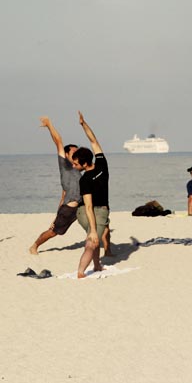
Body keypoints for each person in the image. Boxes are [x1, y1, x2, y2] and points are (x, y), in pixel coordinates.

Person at [30, 116, 82, 255]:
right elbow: (58, 141)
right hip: (68, 210)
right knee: (53, 232)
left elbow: (64, 192)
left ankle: (106, 250)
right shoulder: (65, 165)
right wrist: (49, 125)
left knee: (96, 226)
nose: (77, 154)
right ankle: (34, 246)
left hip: (81, 207)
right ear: (66, 154)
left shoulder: (78, 167)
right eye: (74, 152)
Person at [74, 112, 111, 278]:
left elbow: (93, 141)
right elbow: (94, 141)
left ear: (84, 163)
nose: (74, 166)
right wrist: (84, 124)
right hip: (94, 212)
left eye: (76, 163)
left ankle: (97, 265)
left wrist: (83, 124)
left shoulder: (85, 179)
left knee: (93, 239)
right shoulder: (102, 165)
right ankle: (81, 272)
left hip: (83, 212)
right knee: (92, 241)